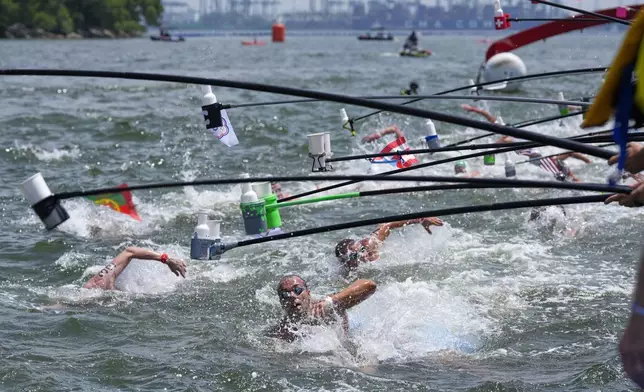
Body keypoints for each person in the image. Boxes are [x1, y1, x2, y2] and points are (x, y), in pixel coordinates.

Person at [461, 104, 591, 182]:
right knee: (560, 162)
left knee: (556, 168)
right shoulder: (504, 130)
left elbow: (501, 143)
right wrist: (472, 109)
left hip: (535, 155)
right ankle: (578, 172)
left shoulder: (509, 137)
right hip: (534, 156)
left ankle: (572, 175)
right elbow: (488, 115)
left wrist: (495, 147)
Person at [268, 275, 376, 342]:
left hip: (356, 335)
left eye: (297, 290)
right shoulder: (283, 330)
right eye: (285, 294)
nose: (292, 296)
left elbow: (370, 285)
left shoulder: (326, 306)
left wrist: (333, 300)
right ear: (282, 303)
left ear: (308, 293)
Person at [334, 217, 444, 270]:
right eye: (355, 256)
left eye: (362, 250)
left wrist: (421, 219)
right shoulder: (347, 270)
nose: (364, 254)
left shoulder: (370, 245)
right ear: (346, 262)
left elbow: (388, 225)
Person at [83, 247, 186, 290]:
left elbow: (130, 251)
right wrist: (166, 260)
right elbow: (129, 252)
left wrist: (166, 259)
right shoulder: (100, 284)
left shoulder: (101, 281)